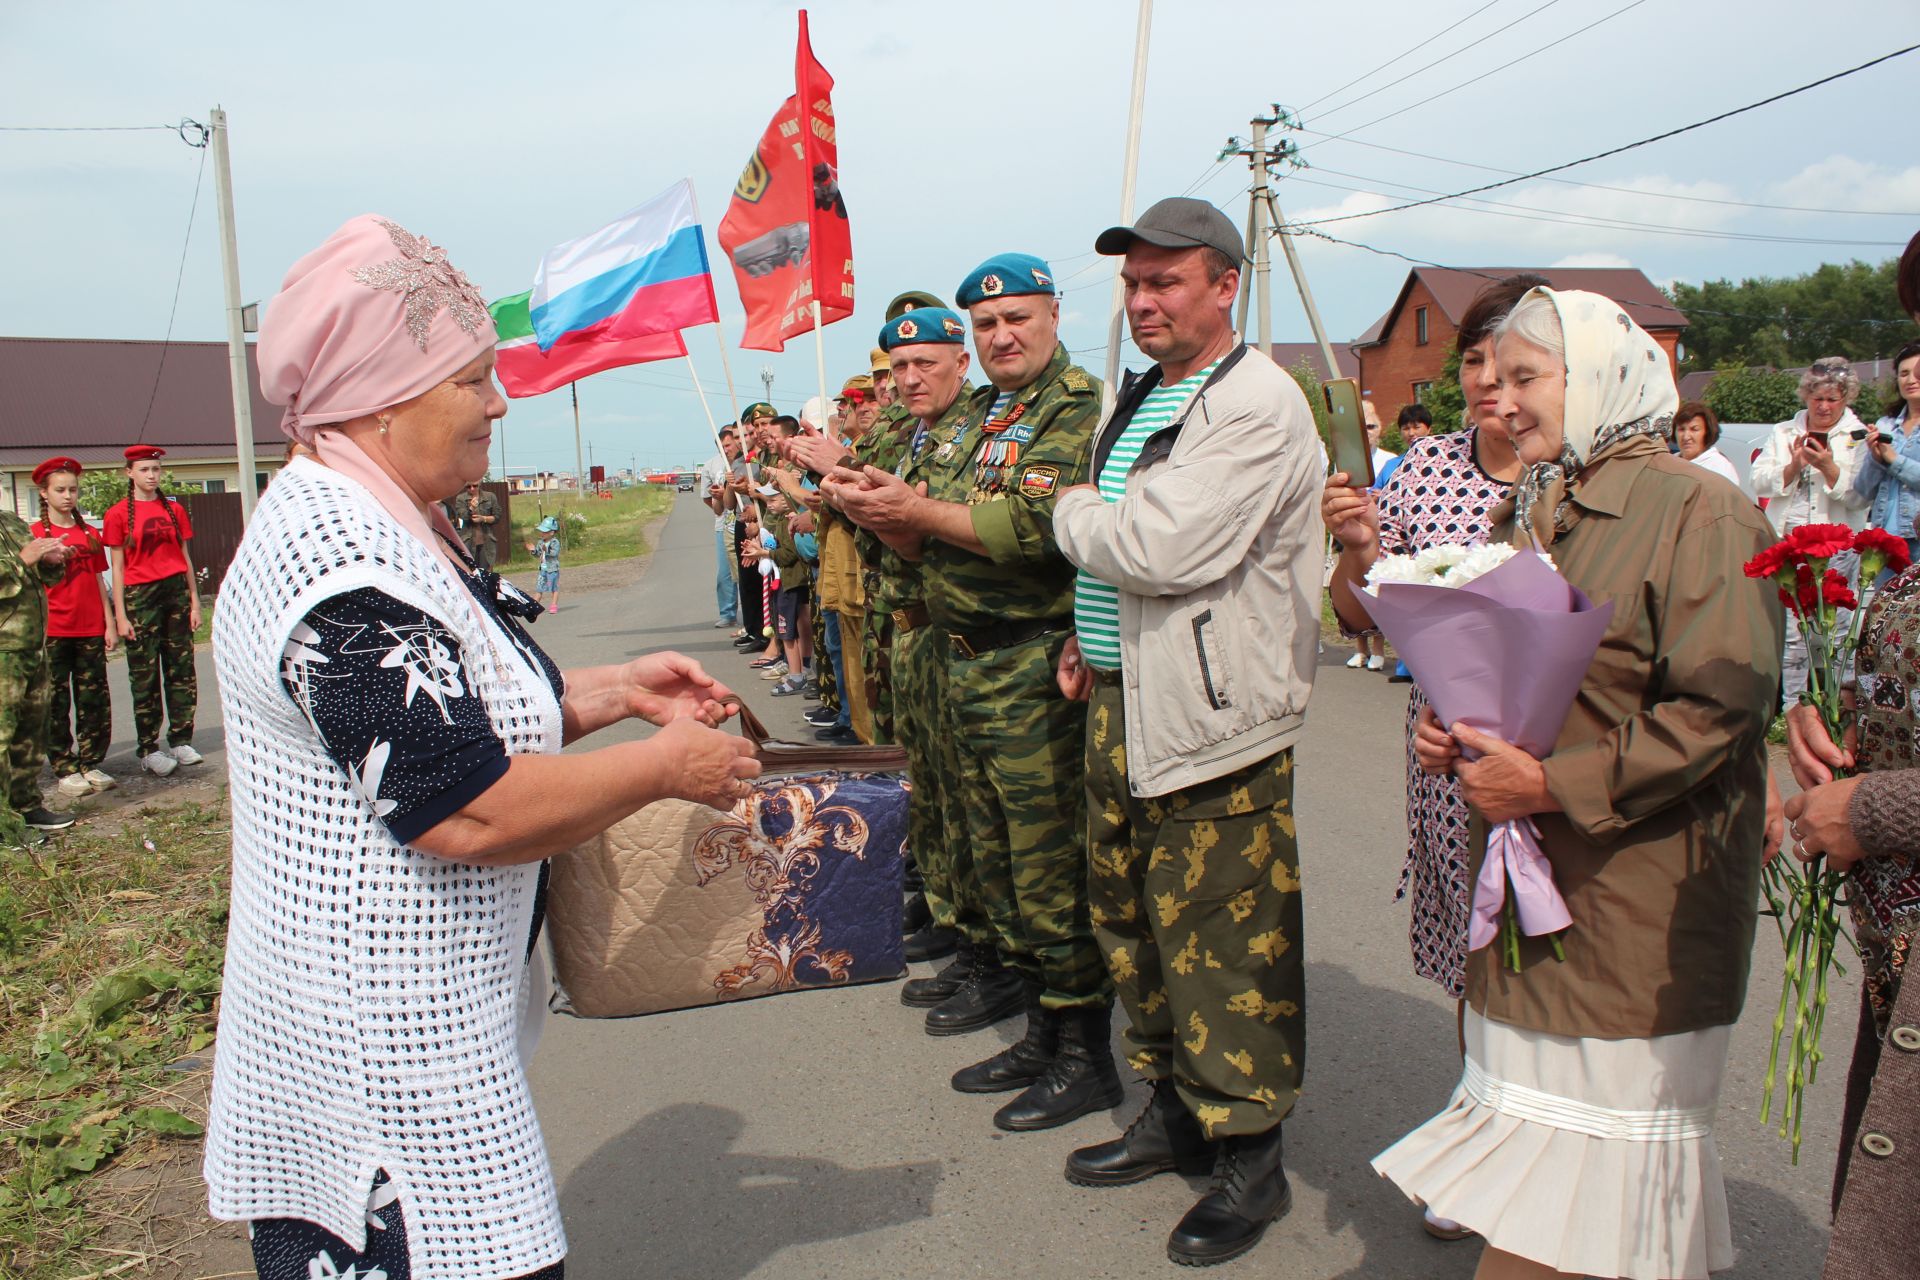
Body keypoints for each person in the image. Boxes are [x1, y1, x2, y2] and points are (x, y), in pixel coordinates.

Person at [210, 213, 760, 1280]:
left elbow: (455, 701)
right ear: (380, 396)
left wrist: (609, 691)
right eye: (472, 379)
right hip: (378, 1069)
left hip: (417, 1042)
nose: (500, 404)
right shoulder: (343, 571)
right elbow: (459, 804)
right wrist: (663, 767)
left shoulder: (385, 518)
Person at [1378, 288, 1783, 1280]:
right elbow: (1526, 673)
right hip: (1537, 898)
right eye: (1495, 378)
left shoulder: (1701, 507)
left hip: (1634, 914)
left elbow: (1718, 708)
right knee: (1554, 1208)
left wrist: (1549, 782)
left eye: (1526, 378)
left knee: (1595, 1211)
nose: (1499, 399)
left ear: (1602, 376)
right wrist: (1456, 731)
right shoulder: (1547, 504)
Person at [1051, 197, 1321, 1267]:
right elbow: (1128, 570)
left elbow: (1157, 548)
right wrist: (1090, 633)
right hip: (1128, 696)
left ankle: (1248, 1154)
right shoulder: (1157, 390)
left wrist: (1073, 510)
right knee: (1132, 919)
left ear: (1226, 287)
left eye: (1167, 281)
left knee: (1222, 937)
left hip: (1213, 721)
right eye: (1134, 282)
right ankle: (1172, 1112)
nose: (1145, 300)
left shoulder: (1253, 402)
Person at [837, 259, 1115, 1132]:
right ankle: (1042, 1025)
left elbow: (1032, 530)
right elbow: (941, 538)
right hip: (962, 656)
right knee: (992, 853)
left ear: (1053, 316)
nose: (1001, 335)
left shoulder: (1073, 405)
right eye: (987, 321)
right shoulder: (993, 413)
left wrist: (914, 513)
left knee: (1044, 863)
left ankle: (1083, 1050)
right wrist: (892, 514)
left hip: (1032, 662)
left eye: (1015, 319)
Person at [1323, 273, 1539, 1241]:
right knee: (1479, 966)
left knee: (1557, 965)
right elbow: (1354, 610)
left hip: (1558, 770)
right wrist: (1359, 545)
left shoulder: (1581, 475)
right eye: (1476, 362)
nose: (1490, 383)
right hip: (1447, 761)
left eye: (1513, 362)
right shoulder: (1423, 471)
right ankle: (1482, 1139)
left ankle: (1552, 1156)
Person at [828, 307, 1005, 1020]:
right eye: (897, 368)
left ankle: (983, 948)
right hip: (909, 628)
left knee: (971, 808)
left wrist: (899, 521)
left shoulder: (978, 431)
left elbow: (961, 531)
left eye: (921, 364)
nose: (905, 379)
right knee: (931, 788)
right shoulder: (919, 436)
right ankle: (954, 922)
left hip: (952, 631)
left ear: (960, 364)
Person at [1750, 356, 1872, 701]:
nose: (1824, 406)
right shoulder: (1783, 431)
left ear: (1845, 399)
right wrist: (1793, 465)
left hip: (1837, 547)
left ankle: (1838, 704)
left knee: (1837, 627)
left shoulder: (1858, 434)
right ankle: (1792, 707)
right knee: (1792, 631)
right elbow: (1758, 479)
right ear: (1805, 395)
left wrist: (1829, 467)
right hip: (1790, 543)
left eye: (1833, 399)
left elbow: (1860, 497)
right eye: (1817, 397)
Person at [102, 444, 202, 778]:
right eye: (144, 469)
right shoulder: (117, 514)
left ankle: (181, 739)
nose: (151, 475)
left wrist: (194, 600)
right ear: (129, 473)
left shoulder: (174, 511)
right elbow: (116, 569)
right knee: (144, 676)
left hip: (174, 593)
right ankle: (148, 748)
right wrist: (120, 614)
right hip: (139, 597)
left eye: (155, 469)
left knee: (181, 670)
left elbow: (184, 557)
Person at [31, 457, 117, 797]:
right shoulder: (35, 535)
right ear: (44, 493)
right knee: (55, 700)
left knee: (93, 699)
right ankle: (64, 765)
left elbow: (99, 579)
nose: (68, 496)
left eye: (72, 490)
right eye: (60, 490)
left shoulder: (89, 533)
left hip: (90, 628)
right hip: (53, 629)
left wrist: (109, 622)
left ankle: (91, 761)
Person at [0, 486, 74, 835]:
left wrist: (49, 563)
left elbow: (34, 578)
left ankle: (26, 805)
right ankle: (4, 825)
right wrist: (22, 560)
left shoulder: (10, 522)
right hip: (3, 650)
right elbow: (14, 571)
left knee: (30, 734)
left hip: (31, 644)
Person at [1853, 338, 1920, 574]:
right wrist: (1876, 459)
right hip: (1886, 541)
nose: (1910, 380)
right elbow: (1863, 489)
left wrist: (1894, 459)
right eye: (1903, 373)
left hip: (1917, 538)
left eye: (1916, 372)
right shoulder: (1886, 425)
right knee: (1886, 609)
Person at [699, 426, 745, 630]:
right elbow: (711, 502)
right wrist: (720, 498)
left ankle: (750, 616)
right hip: (724, 525)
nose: (726, 449)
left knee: (744, 573)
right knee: (725, 574)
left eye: (730, 443)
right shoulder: (711, 465)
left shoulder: (743, 462)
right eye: (723, 445)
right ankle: (727, 612)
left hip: (743, 521)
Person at [1672, 400, 1741, 486]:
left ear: (1707, 432)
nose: (1686, 437)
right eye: (1681, 429)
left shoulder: (1720, 467)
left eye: (1694, 429)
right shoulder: (1668, 464)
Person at [450, 478, 502, 569]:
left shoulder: (490, 496)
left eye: (475, 486)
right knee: (470, 572)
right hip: (468, 542)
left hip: (487, 542)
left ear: (479, 484)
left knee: (486, 573)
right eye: (468, 487)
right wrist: (471, 508)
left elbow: (497, 517)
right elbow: (463, 517)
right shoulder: (461, 498)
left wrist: (483, 518)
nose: (472, 489)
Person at [526, 514, 562, 613]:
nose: (542, 533)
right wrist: (533, 550)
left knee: (553, 587)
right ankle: (534, 606)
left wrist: (547, 550)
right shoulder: (540, 542)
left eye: (544, 531)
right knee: (539, 587)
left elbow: (554, 553)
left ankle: (554, 605)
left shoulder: (555, 542)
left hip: (552, 569)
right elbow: (538, 554)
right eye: (541, 531)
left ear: (551, 532)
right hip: (543, 569)